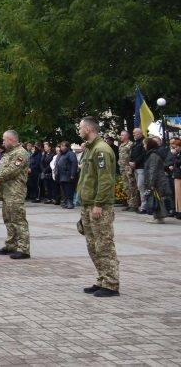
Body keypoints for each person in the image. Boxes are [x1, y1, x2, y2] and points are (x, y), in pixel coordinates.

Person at [77, 116, 120, 297]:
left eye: (80, 127)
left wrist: (99, 204)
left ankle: (111, 283)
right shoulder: (89, 149)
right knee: (93, 245)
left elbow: (105, 180)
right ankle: (102, 278)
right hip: (88, 204)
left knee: (104, 244)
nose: (79, 130)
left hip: (98, 206)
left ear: (88, 129)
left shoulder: (101, 150)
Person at [0, 130, 30, 259]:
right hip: (6, 192)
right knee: (8, 219)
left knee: (18, 220)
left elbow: (13, 169)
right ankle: (11, 245)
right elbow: (1, 168)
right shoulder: (8, 153)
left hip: (15, 192)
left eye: (4, 140)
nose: (2, 142)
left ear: (11, 140)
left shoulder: (21, 153)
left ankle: (24, 248)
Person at [144, 135, 173, 222]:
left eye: (145, 144)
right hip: (157, 180)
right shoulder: (152, 154)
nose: (144, 146)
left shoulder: (153, 155)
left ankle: (159, 218)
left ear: (149, 145)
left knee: (157, 199)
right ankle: (157, 217)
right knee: (156, 198)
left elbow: (153, 170)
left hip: (158, 181)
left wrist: (151, 183)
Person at [129, 128, 149, 213]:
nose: (134, 135)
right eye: (133, 133)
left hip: (141, 167)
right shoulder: (135, 143)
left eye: (135, 133)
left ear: (140, 133)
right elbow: (132, 154)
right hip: (136, 168)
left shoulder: (143, 142)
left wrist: (135, 162)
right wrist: (130, 162)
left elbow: (143, 155)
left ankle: (144, 206)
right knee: (139, 187)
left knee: (141, 186)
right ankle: (142, 205)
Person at [55, 141, 79, 208]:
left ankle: (70, 203)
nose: (61, 147)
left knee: (69, 190)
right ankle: (66, 203)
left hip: (68, 176)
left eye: (63, 146)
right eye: (61, 146)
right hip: (62, 176)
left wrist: (72, 174)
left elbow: (74, 164)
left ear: (67, 147)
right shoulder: (62, 155)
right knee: (64, 191)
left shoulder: (71, 154)